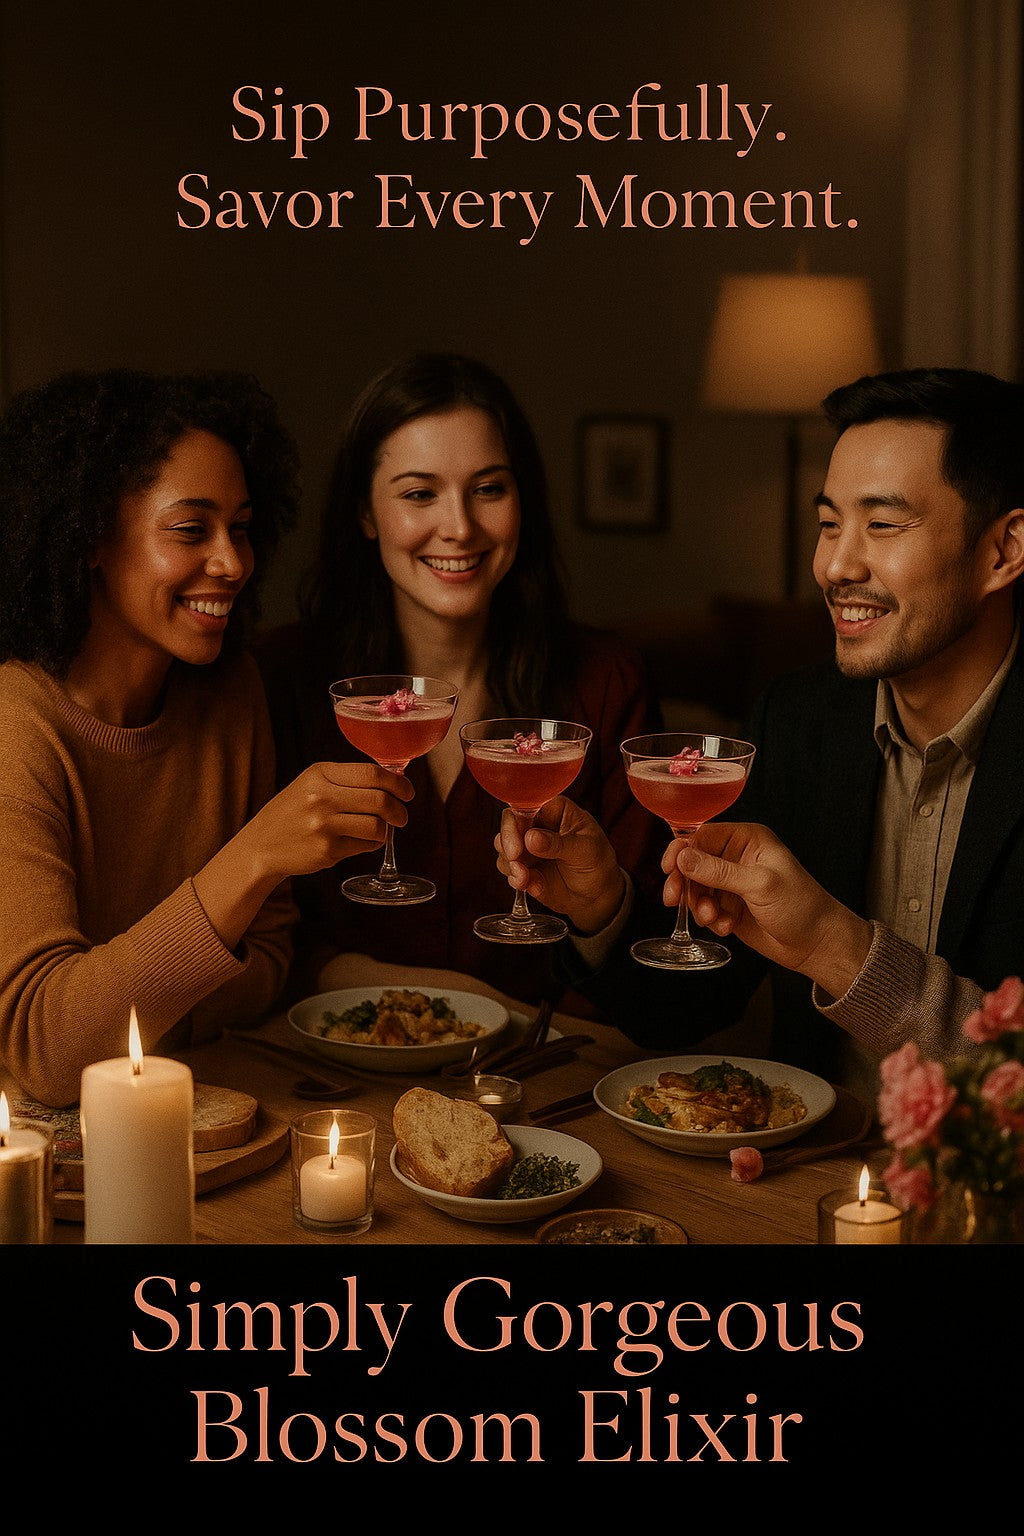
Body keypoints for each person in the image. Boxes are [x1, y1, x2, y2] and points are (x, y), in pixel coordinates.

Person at [495, 367, 1024, 1093]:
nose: (834, 564)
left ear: (1004, 551)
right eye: (830, 522)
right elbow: (689, 1011)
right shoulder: (798, 722)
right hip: (804, 1183)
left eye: (882, 523)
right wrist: (601, 906)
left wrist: (838, 949)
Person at [0, 368, 413, 1107]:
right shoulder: (17, 723)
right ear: (91, 535)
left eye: (242, 527)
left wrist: (121, 1004)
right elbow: (50, 1053)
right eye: (191, 529)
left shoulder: (232, 691)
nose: (233, 564)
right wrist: (252, 857)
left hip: (200, 1111)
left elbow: (269, 961)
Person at [257, 351, 661, 1005]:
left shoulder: (604, 682)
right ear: (365, 513)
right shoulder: (284, 679)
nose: (460, 527)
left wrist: (600, 908)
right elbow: (259, 944)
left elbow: (657, 999)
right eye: (420, 493)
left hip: (547, 1083)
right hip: (331, 1081)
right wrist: (445, 997)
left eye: (489, 489)